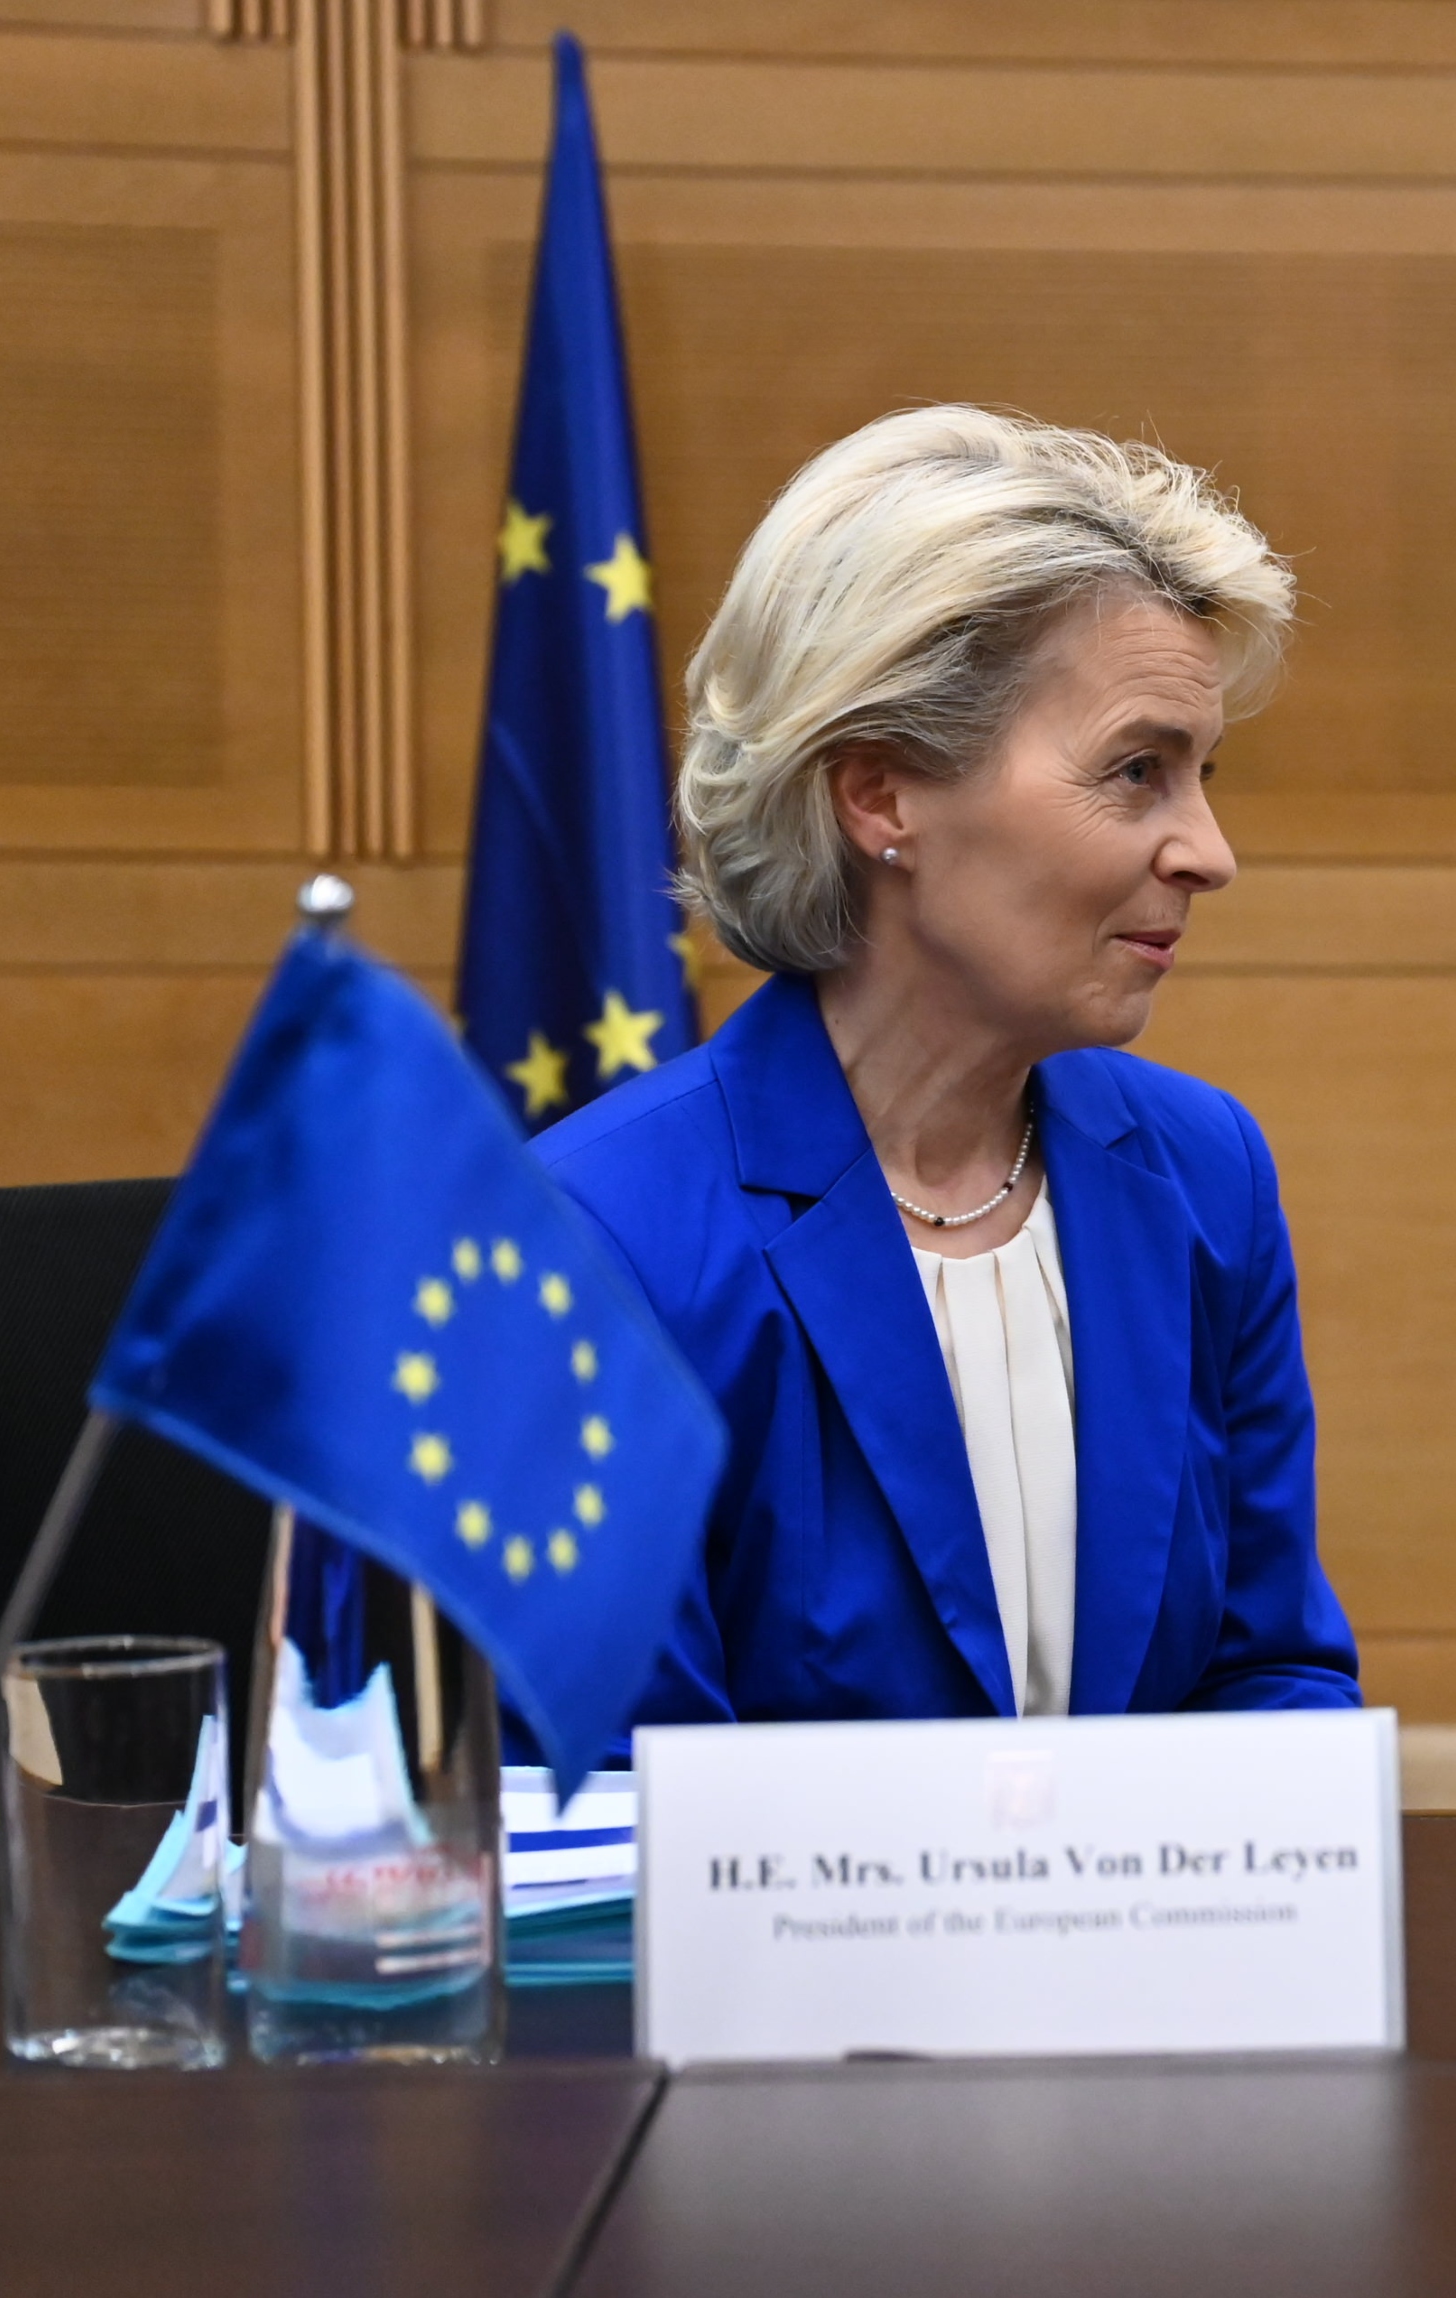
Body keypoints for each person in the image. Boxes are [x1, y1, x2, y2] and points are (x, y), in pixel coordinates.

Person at [533, 405, 1358, 1740]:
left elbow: (1274, 1677)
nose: (1208, 852)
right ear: (881, 795)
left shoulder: (1207, 1174)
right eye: (1135, 771)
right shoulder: (596, 1240)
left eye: (1202, 774)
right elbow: (632, 1813)